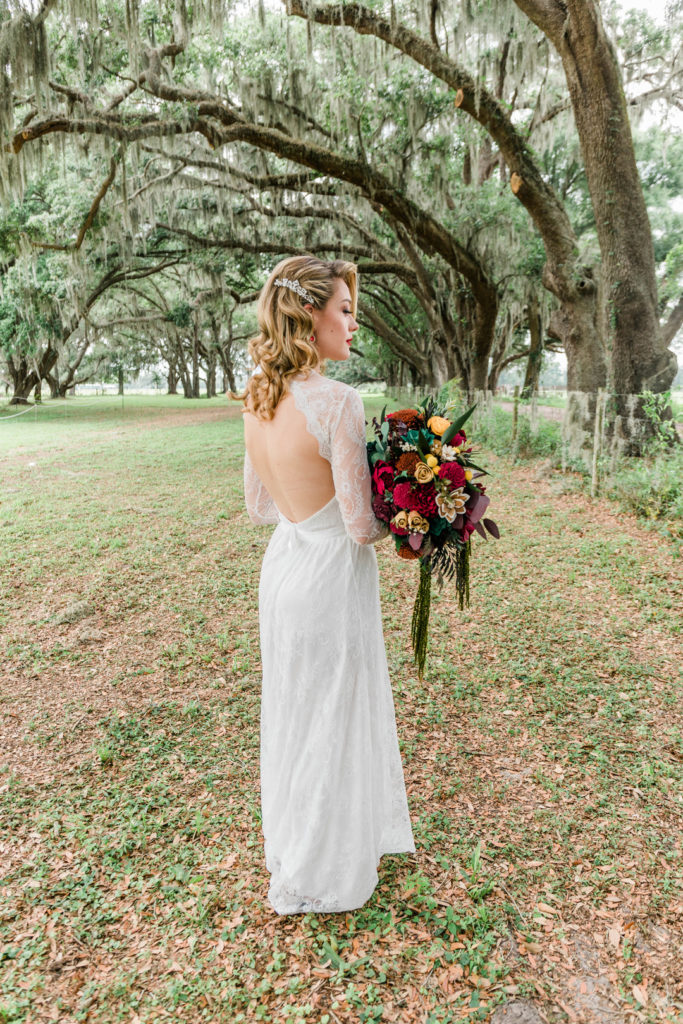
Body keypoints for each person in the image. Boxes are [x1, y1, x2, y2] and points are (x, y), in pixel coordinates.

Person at [239, 254, 415, 915]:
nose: (353, 321)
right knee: (331, 714)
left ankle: (296, 849)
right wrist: (415, 514)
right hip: (328, 577)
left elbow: (258, 506)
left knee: (294, 711)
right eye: (344, 309)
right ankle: (324, 868)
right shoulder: (338, 402)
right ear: (309, 316)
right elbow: (358, 526)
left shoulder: (257, 396)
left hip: (284, 566)